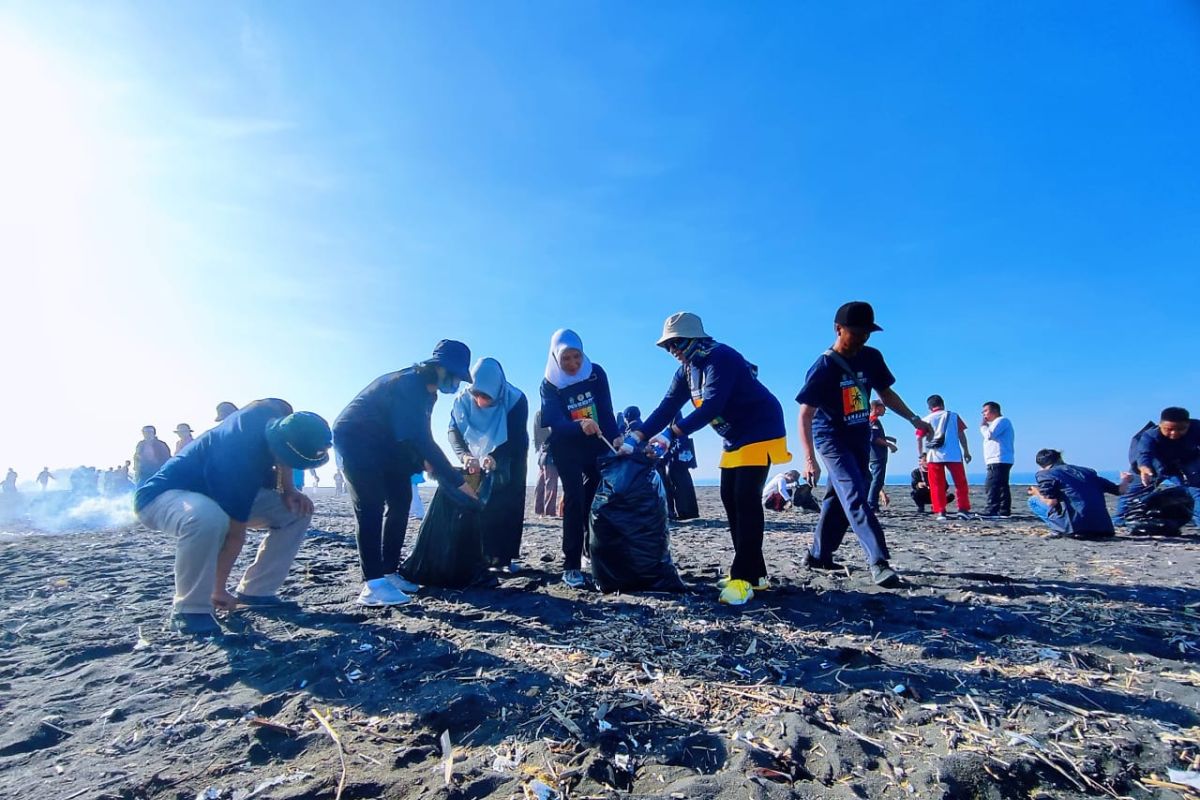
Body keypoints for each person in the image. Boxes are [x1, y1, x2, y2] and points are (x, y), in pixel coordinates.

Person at [626, 312, 789, 605]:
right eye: (668, 346)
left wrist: (671, 434)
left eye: (676, 343)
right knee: (729, 497)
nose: (672, 351)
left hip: (760, 428)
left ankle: (742, 578)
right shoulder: (687, 371)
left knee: (745, 499)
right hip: (734, 437)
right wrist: (637, 436)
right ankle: (756, 574)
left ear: (693, 339)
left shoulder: (720, 357)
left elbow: (712, 405)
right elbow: (667, 406)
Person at [134, 400, 330, 635]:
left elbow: (285, 456)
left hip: (213, 494)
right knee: (208, 518)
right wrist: (218, 589)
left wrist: (290, 490)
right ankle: (191, 609)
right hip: (162, 497)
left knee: (296, 511)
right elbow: (235, 536)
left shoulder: (277, 411)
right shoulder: (239, 460)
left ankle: (257, 591)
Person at [796, 301, 933, 588]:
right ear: (838, 329)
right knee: (855, 494)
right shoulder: (823, 366)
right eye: (856, 333)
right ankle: (878, 561)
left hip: (859, 436)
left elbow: (886, 393)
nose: (861, 338)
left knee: (838, 497)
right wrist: (810, 459)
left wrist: (913, 419)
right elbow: (805, 415)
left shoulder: (871, 357)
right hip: (831, 438)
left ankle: (819, 555)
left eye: (866, 333)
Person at [333, 341, 478, 607]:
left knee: (400, 502)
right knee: (370, 506)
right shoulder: (408, 384)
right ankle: (373, 584)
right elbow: (420, 439)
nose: (457, 383)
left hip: (388, 447)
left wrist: (424, 461)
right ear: (441, 368)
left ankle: (390, 571)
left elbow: (417, 436)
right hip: (356, 442)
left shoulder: (429, 393)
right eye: (456, 376)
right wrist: (457, 482)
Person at [540, 329, 620, 588]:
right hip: (566, 449)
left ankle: (592, 549)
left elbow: (606, 410)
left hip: (595, 444)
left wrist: (615, 436)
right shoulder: (549, 383)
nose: (573, 364)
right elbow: (554, 421)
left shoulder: (596, 373)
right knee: (574, 500)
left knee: (596, 498)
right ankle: (571, 564)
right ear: (556, 357)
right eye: (566, 359)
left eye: (577, 357)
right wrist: (580, 424)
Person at [449, 357, 529, 572]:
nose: (480, 401)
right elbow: (453, 431)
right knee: (481, 503)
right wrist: (465, 456)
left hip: (510, 452)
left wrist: (496, 456)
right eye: (476, 394)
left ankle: (504, 558)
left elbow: (517, 437)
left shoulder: (516, 399)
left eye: (486, 396)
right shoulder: (462, 400)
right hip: (475, 453)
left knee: (508, 501)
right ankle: (483, 555)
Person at [1027, 449, 1130, 538]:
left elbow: (1050, 502)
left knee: (1033, 501)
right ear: (1060, 459)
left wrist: (1036, 492)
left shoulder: (1046, 474)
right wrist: (1125, 479)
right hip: (1104, 528)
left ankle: (1059, 528)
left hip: (1076, 528)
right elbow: (1120, 490)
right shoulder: (1087, 472)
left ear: (1041, 465)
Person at [1132, 406, 1200, 526]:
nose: (1174, 433)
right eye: (1169, 429)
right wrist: (1144, 468)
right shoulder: (1150, 435)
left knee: (1195, 489)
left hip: (1186, 461)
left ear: (1188, 425)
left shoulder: (1197, 428)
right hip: (1155, 462)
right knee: (1136, 489)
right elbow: (1144, 453)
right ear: (1160, 425)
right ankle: (1121, 521)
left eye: (1180, 429)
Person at [918, 395, 976, 521]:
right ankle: (963, 509)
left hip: (934, 455)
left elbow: (919, 437)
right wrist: (966, 451)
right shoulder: (953, 416)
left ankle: (940, 511)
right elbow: (961, 434)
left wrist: (921, 453)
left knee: (936, 485)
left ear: (929, 407)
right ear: (943, 404)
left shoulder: (926, 419)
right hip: (953, 453)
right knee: (960, 483)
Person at [980, 401, 1015, 518]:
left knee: (992, 485)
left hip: (999, 459)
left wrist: (983, 426)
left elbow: (990, 434)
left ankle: (992, 509)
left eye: (985, 411)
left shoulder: (1002, 421)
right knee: (1000, 485)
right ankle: (1003, 510)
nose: (983, 414)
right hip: (997, 459)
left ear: (994, 410)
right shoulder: (997, 423)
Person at [867, 400, 899, 513]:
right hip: (877, 455)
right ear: (876, 408)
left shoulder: (872, 421)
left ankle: (872, 503)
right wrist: (889, 445)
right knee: (877, 480)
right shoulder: (873, 421)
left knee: (878, 479)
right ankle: (872, 504)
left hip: (876, 454)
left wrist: (888, 438)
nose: (885, 410)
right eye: (883, 408)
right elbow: (873, 438)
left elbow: (875, 435)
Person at [532, 410, 559, 517]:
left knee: (542, 481)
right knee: (551, 483)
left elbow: (538, 435)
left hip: (542, 451)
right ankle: (549, 511)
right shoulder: (547, 414)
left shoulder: (538, 414)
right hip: (550, 451)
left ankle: (539, 510)